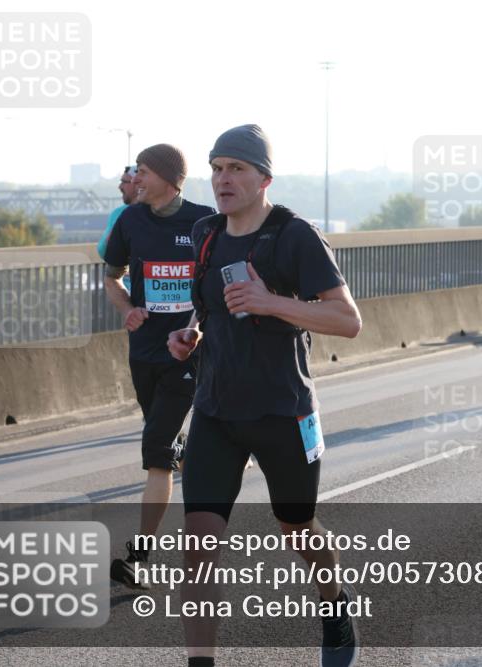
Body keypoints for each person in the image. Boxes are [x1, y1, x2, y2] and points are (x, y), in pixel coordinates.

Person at [167, 125, 362, 667]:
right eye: (217, 167)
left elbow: (348, 321)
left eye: (236, 169)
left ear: (263, 179)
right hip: (214, 411)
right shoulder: (207, 233)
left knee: (298, 528)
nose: (222, 179)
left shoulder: (295, 235)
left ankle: (334, 605)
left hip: (283, 410)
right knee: (198, 549)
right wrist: (188, 335)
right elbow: (208, 310)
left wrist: (270, 300)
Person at [102, 145, 216, 588]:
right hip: (143, 352)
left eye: (143, 171)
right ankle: (190, 454)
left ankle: (139, 558)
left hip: (186, 354)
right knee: (164, 442)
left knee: (156, 453)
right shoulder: (129, 221)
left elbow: (216, 283)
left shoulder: (205, 221)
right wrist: (127, 308)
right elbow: (111, 276)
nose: (137, 177)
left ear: (168, 178)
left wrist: (196, 327)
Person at [98, 165, 138, 290]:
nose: (120, 187)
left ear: (138, 183)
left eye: (124, 182)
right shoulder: (158, 212)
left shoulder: (120, 214)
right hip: (155, 293)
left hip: (123, 289)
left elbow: (103, 250)